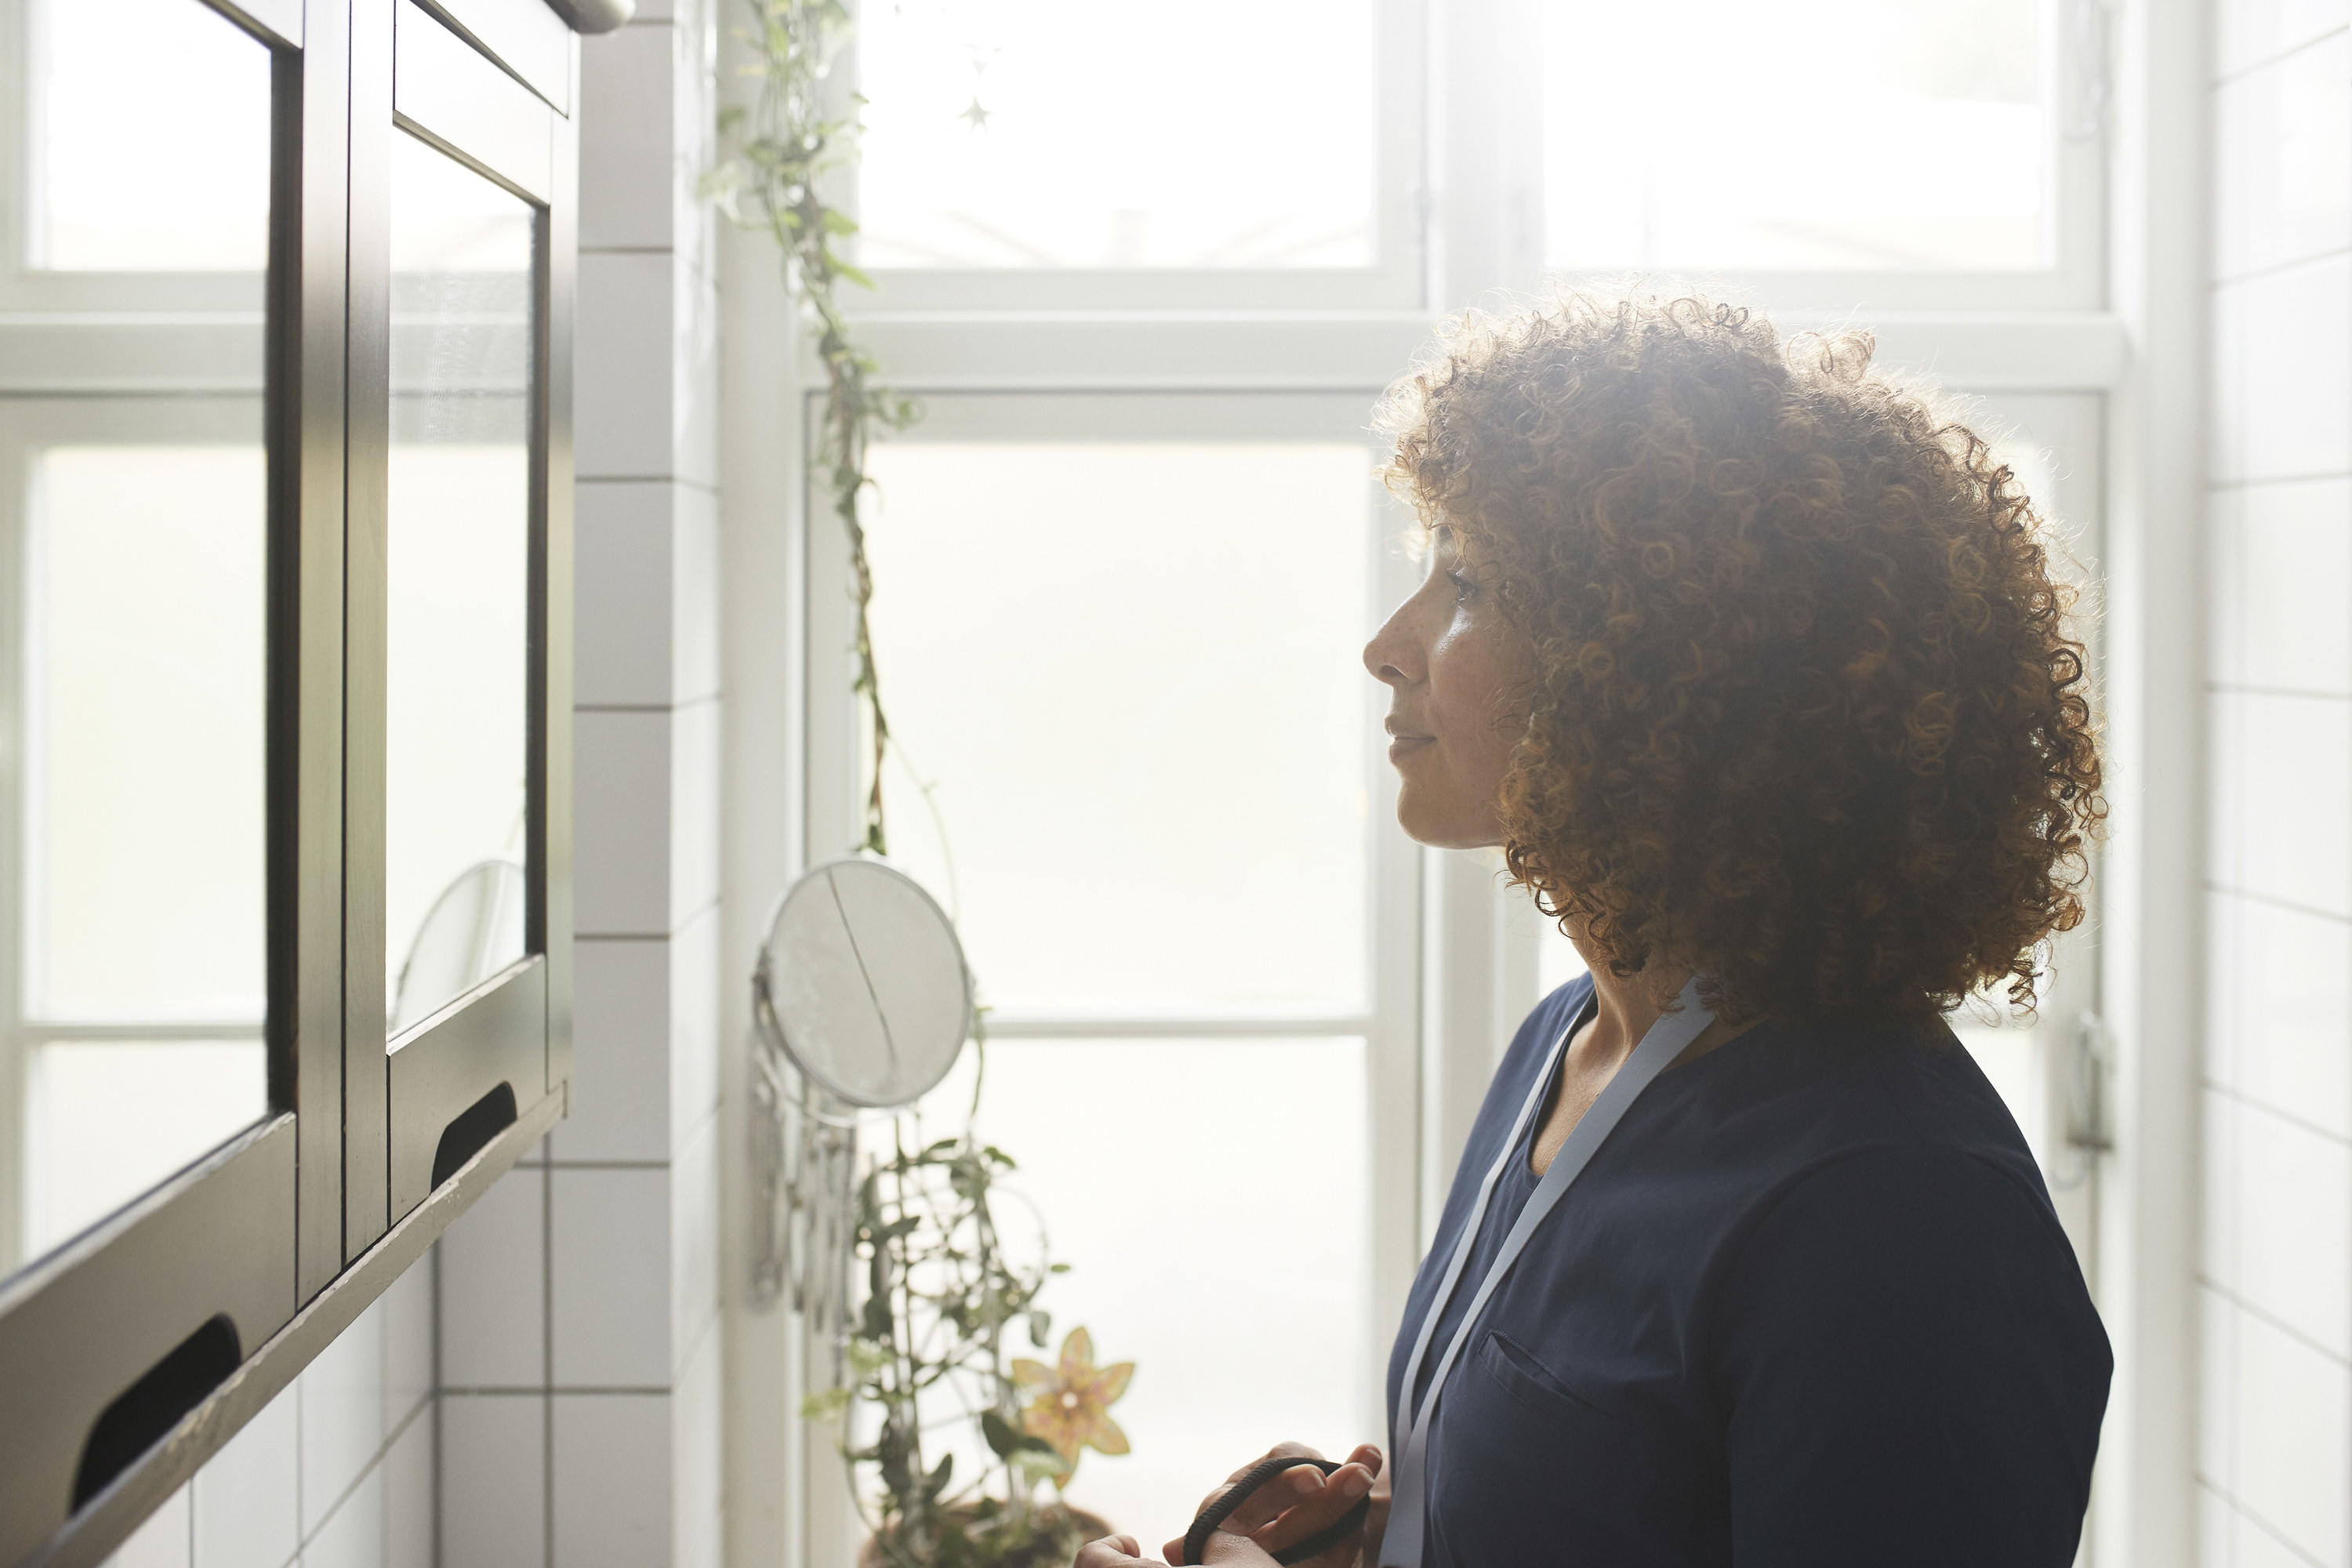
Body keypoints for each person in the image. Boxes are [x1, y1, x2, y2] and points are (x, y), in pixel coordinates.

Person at [1076, 290, 2111, 1568]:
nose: (1387, 646)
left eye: (1470, 581)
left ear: (1662, 662)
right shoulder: (1566, 1047)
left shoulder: (1897, 1219)